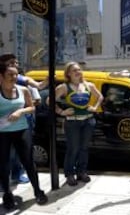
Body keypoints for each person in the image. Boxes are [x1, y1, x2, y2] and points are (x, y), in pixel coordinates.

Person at [0, 63, 48, 210]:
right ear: (1, 76)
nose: (14, 77)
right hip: (2, 132)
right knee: (3, 164)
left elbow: (32, 107)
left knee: (28, 161)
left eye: (16, 74)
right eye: (10, 75)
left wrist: (20, 112)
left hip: (21, 129)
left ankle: (38, 191)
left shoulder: (23, 90)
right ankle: (7, 194)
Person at [50, 61, 103, 186]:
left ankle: (82, 172)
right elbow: (49, 101)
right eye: (74, 70)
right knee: (73, 149)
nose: (78, 72)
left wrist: (95, 107)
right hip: (72, 122)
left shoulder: (88, 85)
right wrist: (62, 112)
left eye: (79, 69)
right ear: (68, 73)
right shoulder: (63, 87)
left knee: (84, 148)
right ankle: (69, 174)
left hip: (88, 121)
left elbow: (100, 96)